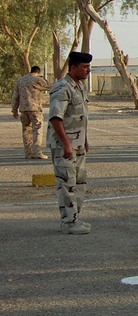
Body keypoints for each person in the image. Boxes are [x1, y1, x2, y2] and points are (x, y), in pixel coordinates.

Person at [47, 51, 92, 235]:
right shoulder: (62, 87)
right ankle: (68, 222)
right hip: (64, 146)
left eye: (89, 66)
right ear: (73, 67)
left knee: (79, 183)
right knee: (67, 183)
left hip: (78, 144)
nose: (88, 70)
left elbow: (81, 118)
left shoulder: (79, 87)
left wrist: (85, 140)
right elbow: (55, 118)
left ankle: (75, 218)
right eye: (84, 67)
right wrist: (66, 143)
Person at [11, 65, 51, 159]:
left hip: (24, 109)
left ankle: (28, 153)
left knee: (26, 130)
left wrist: (14, 110)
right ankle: (37, 152)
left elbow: (15, 96)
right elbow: (49, 86)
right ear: (38, 71)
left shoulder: (20, 80)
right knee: (37, 129)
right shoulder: (37, 79)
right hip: (35, 109)